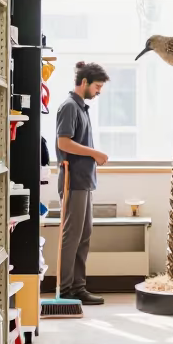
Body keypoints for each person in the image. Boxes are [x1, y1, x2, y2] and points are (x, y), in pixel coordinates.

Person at [55, 61, 110, 305]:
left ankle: (78, 288)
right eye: (97, 86)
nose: (99, 91)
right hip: (72, 180)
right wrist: (94, 153)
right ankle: (66, 290)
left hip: (84, 181)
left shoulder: (81, 108)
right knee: (72, 236)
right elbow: (63, 143)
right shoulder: (68, 107)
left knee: (83, 235)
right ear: (85, 82)